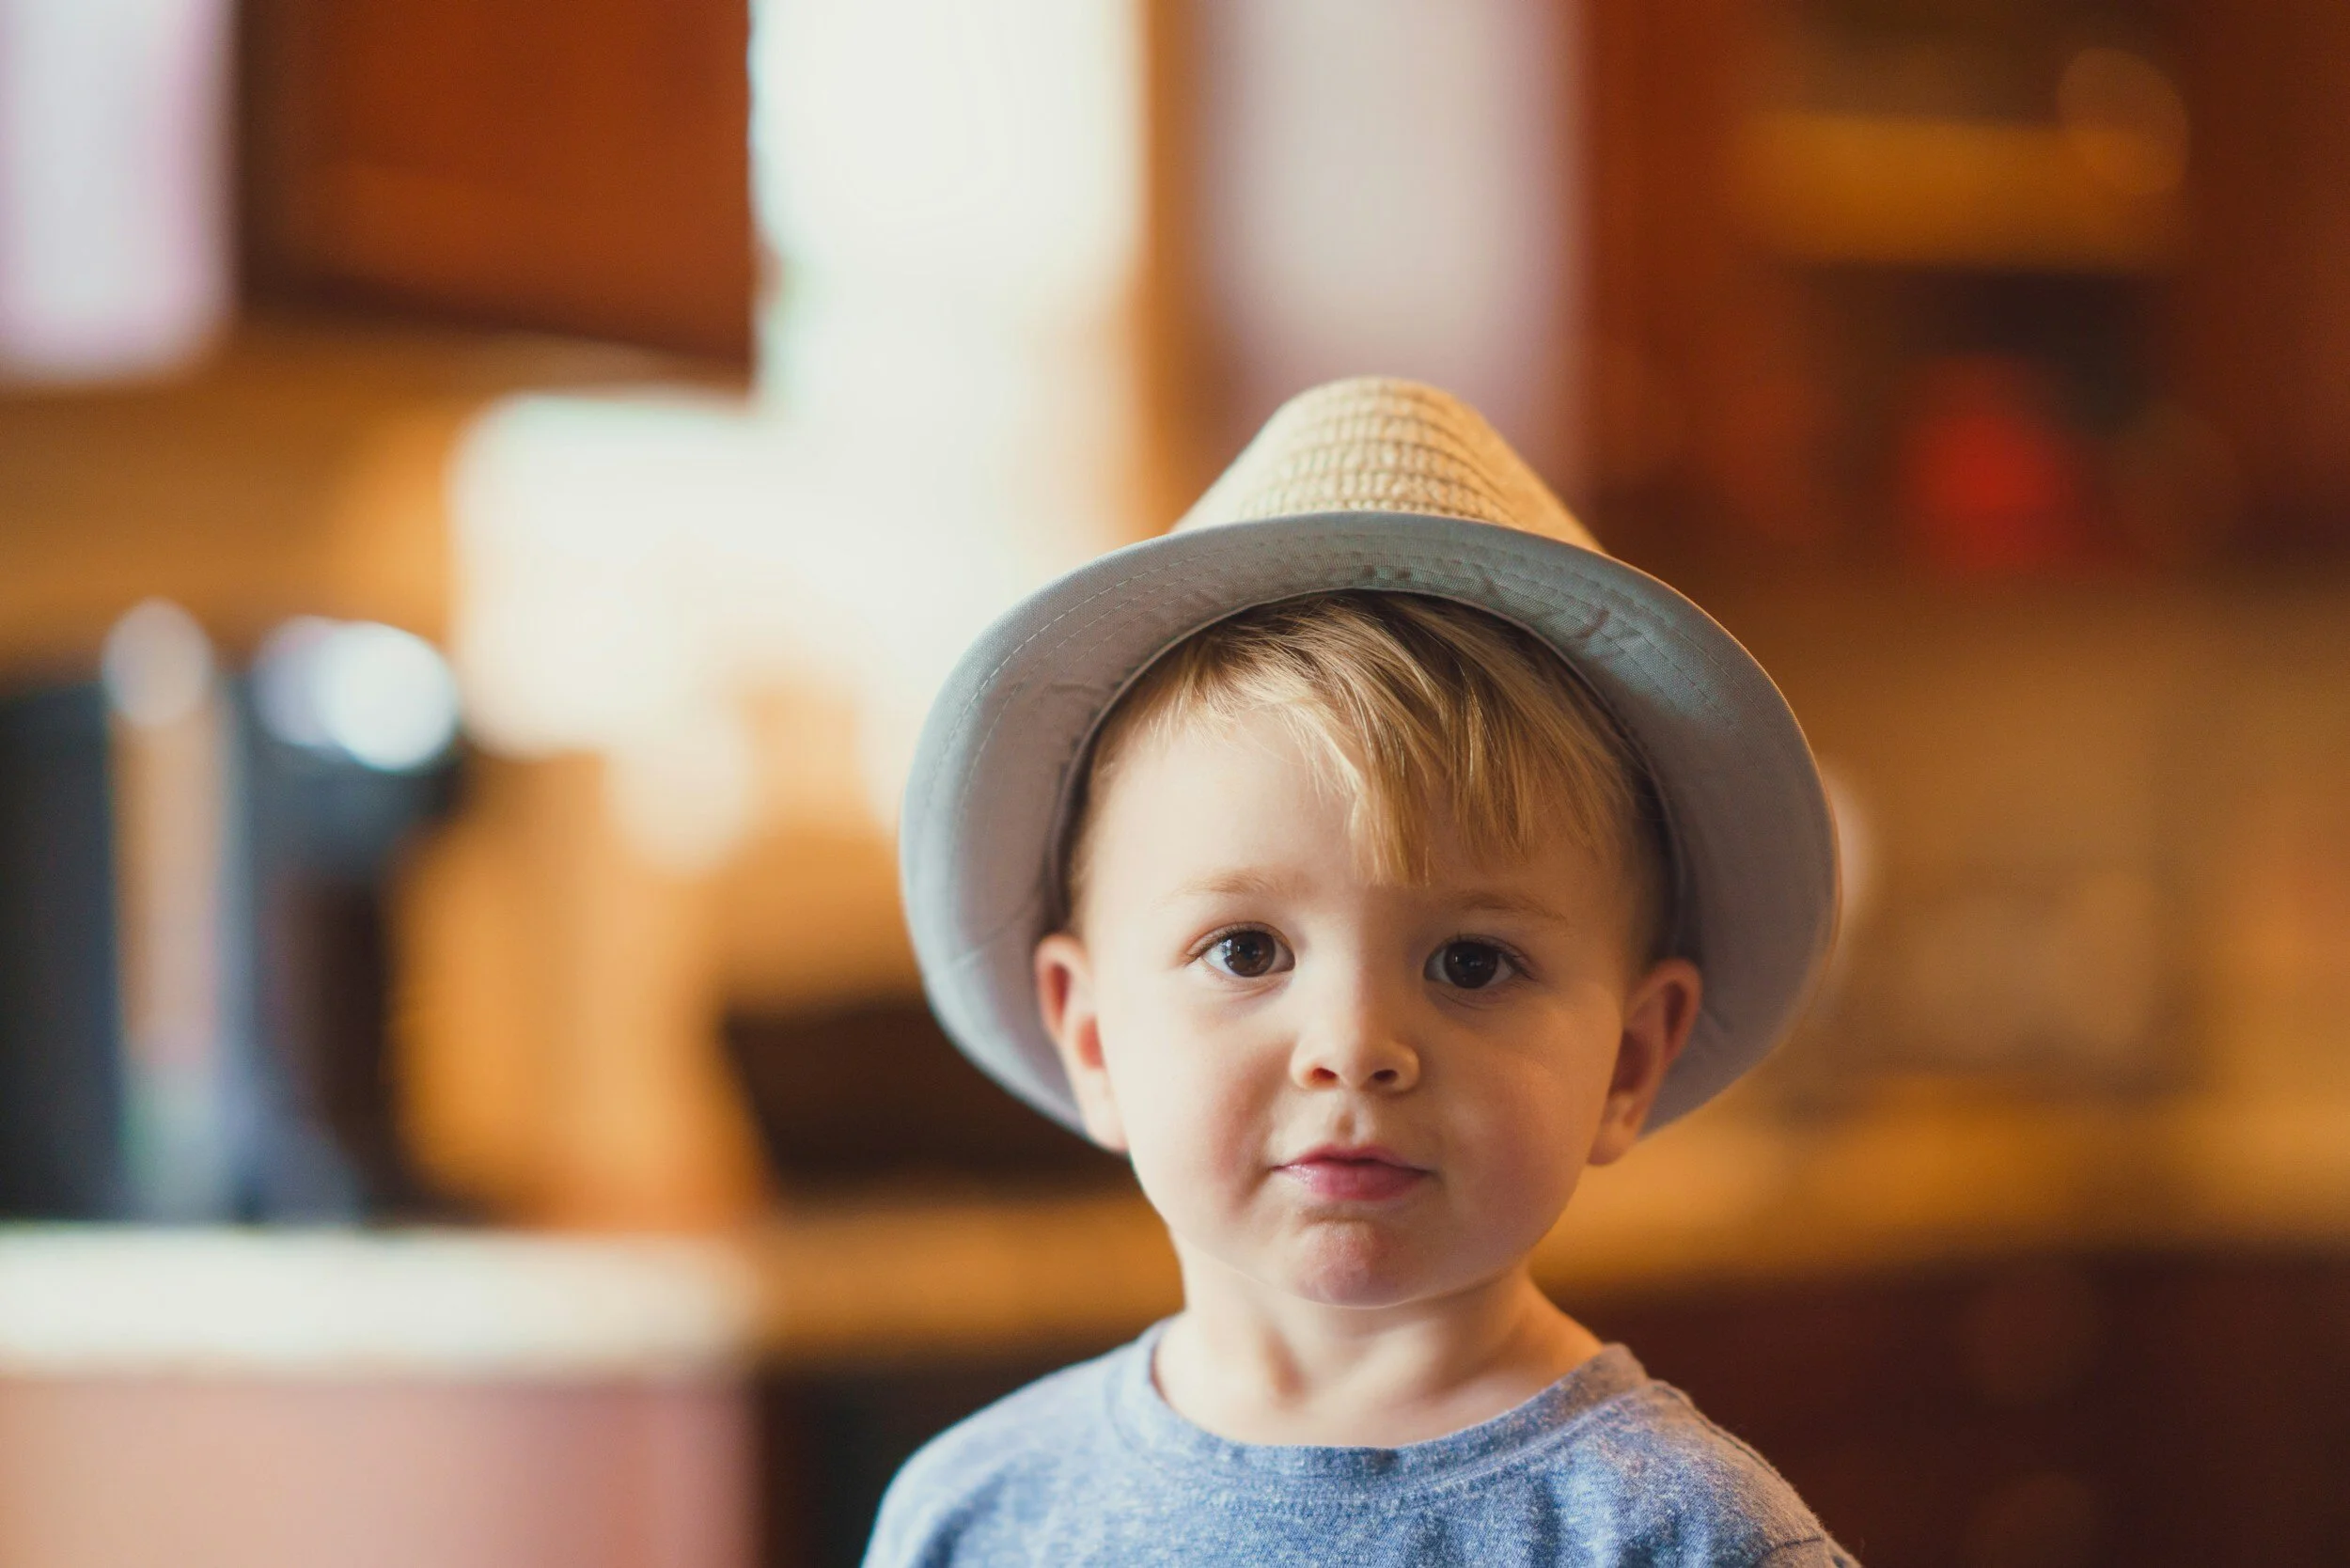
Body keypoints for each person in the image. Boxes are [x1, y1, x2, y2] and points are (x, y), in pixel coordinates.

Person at [872, 377, 1855, 1565]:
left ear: (1628, 1058)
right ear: (1092, 1040)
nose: (1354, 1042)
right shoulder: (978, 1514)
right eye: (1245, 950)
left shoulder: (1678, 1534)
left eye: (1471, 961)